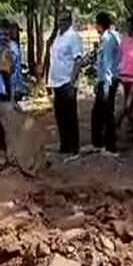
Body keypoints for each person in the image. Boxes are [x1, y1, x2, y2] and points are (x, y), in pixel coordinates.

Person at [47, 9, 84, 157]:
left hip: (67, 83)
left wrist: (72, 80)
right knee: (60, 115)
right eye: (58, 21)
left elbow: (78, 60)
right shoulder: (58, 37)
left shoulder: (73, 37)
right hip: (56, 82)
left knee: (70, 116)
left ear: (69, 21)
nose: (59, 23)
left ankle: (74, 146)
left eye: (62, 21)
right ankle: (65, 144)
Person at [90, 12, 121, 155]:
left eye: (96, 23)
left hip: (108, 81)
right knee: (98, 113)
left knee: (107, 113)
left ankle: (110, 146)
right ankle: (98, 143)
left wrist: (106, 86)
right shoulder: (107, 38)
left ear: (100, 24)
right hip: (104, 80)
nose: (95, 26)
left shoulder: (108, 39)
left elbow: (108, 63)